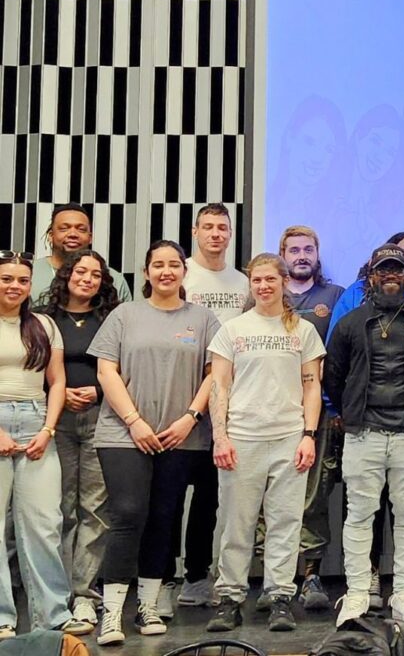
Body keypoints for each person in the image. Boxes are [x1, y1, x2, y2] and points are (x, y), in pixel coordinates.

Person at [89, 240, 220, 646]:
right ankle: (112, 612)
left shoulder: (203, 319)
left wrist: (190, 418)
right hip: (124, 434)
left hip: (180, 436)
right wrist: (134, 421)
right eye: (158, 265)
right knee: (128, 514)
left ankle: (148, 606)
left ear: (184, 271)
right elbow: (106, 371)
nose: (166, 271)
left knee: (164, 517)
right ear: (146, 272)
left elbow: (215, 375)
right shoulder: (124, 315)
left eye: (174, 264)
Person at [326, 245, 404, 627]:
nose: (391, 275)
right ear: (372, 277)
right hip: (363, 433)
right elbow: (334, 376)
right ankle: (357, 593)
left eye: (398, 269)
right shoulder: (351, 323)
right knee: (359, 515)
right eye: (384, 270)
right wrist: (350, 413)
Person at [204, 254, 326, 633]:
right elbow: (218, 385)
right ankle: (230, 599)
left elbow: (312, 386)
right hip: (242, 439)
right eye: (256, 280)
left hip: (289, 438)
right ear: (250, 284)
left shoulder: (303, 330)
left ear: (284, 282)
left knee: (285, 523)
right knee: (235, 524)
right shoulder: (232, 330)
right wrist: (220, 437)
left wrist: (308, 435)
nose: (263, 286)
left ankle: (279, 597)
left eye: (270, 279)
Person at [37, 249, 121, 633]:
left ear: (103, 281)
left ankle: (84, 595)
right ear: (67, 275)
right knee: (60, 509)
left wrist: (98, 393)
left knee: (95, 510)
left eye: (95, 274)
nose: (87, 279)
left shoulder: (112, 319)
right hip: (55, 420)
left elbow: (124, 369)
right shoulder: (43, 318)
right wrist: (58, 392)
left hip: (102, 419)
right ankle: (57, 594)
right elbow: (30, 368)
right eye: (80, 272)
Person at [0, 251, 82, 639]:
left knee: (45, 524)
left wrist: (48, 429)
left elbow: (58, 381)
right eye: (6, 279)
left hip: (37, 423)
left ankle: (53, 615)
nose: (14, 286)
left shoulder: (44, 325)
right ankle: (2, 618)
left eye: (22, 280)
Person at [173, 203, 250, 612]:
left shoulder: (242, 282)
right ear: (195, 231)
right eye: (208, 227)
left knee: (210, 496)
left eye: (222, 227)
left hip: (225, 401)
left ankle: (198, 576)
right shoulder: (180, 272)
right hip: (178, 395)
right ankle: (161, 579)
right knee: (169, 495)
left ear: (230, 233)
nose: (216, 234)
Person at [278, 225, 344, 611]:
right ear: (282, 255)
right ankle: (277, 580)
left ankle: (311, 576)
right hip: (271, 413)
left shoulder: (334, 297)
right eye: (294, 250)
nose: (301, 256)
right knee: (273, 497)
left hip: (319, 414)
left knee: (313, 496)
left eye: (308, 249)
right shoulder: (267, 294)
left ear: (317, 255)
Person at [31, 204, 132, 304]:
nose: (73, 234)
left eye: (81, 229)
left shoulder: (113, 279)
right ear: (51, 236)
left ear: (90, 238)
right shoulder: (29, 273)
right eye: (64, 228)